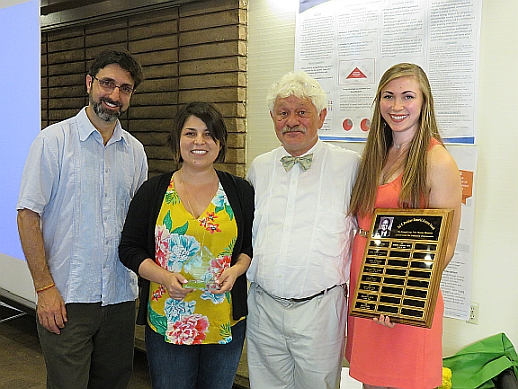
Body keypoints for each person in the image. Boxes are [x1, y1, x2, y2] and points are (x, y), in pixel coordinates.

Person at [16, 49, 148, 389]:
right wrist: (44, 289)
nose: (114, 95)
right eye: (107, 83)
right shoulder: (53, 142)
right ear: (90, 83)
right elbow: (28, 216)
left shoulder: (135, 151)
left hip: (120, 298)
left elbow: (137, 226)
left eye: (125, 88)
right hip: (66, 298)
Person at [119, 101, 254, 389]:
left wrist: (237, 270)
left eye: (208, 134)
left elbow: (249, 248)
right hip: (169, 319)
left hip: (224, 321)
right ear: (177, 140)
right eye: (190, 133)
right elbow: (129, 248)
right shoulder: (154, 190)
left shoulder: (240, 190)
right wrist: (164, 277)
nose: (199, 142)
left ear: (220, 143)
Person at [345, 63, 462, 389]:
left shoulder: (437, 161)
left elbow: (446, 245)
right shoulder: (376, 154)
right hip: (366, 288)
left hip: (403, 296)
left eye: (408, 96)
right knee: (371, 382)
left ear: (424, 102)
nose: (397, 106)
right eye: (388, 96)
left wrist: (397, 296)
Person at [246, 71, 360, 389]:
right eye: (283, 113)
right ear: (273, 118)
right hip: (263, 307)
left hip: (321, 309)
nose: (292, 121)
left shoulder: (350, 167)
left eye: (302, 112)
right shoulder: (259, 167)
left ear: (321, 117)